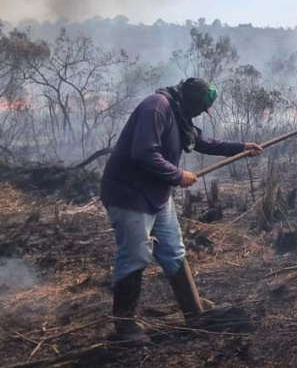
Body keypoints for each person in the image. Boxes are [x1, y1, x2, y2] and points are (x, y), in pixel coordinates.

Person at [100, 78, 263, 345]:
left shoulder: (180, 113)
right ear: (189, 100)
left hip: (157, 195)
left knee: (174, 251)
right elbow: (143, 153)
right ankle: (125, 326)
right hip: (129, 194)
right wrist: (178, 175)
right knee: (134, 255)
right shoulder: (157, 107)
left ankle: (193, 313)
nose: (200, 113)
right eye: (200, 108)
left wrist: (241, 147)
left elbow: (203, 141)